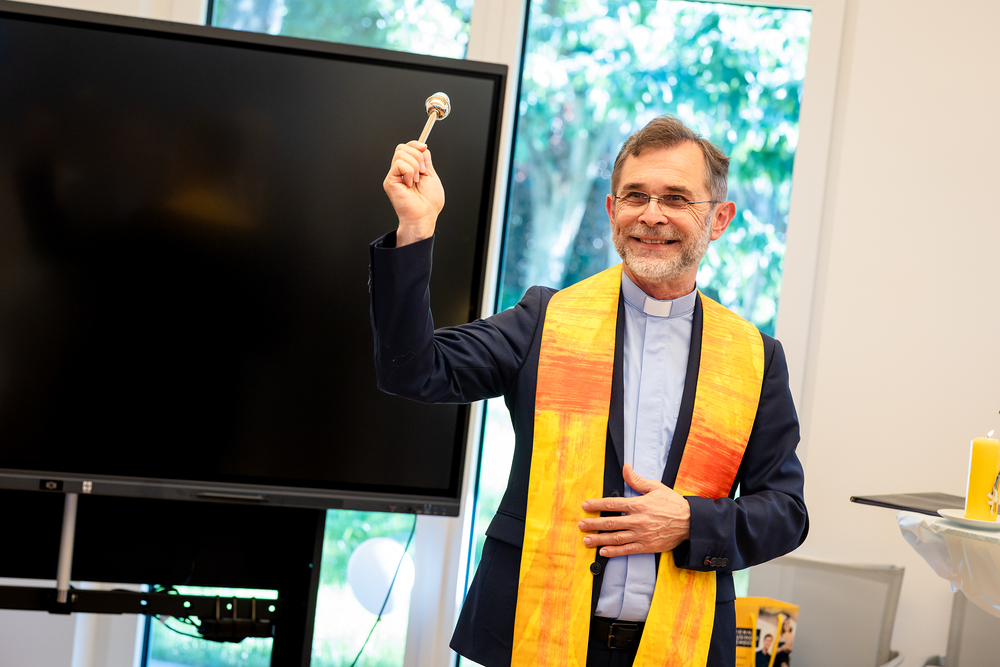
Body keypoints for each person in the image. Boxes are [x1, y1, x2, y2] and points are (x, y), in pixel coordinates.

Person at [370, 115, 808, 667]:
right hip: (533, 633)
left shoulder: (756, 357)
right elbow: (412, 369)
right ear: (611, 209)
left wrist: (690, 522)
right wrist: (415, 228)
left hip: (684, 646)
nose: (651, 215)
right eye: (635, 196)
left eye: (676, 198)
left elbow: (786, 512)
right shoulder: (545, 320)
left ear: (718, 219)